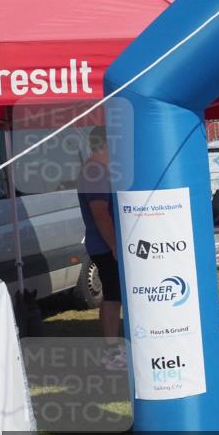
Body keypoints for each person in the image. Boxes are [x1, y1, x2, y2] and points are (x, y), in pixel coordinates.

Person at [77, 126, 125, 369]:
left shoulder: (99, 169)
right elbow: (100, 214)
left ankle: (114, 350)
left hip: (106, 245)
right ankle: (111, 353)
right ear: (106, 144)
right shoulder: (95, 171)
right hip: (105, 246)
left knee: (113, 295)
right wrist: (115, 246)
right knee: (113, 296)